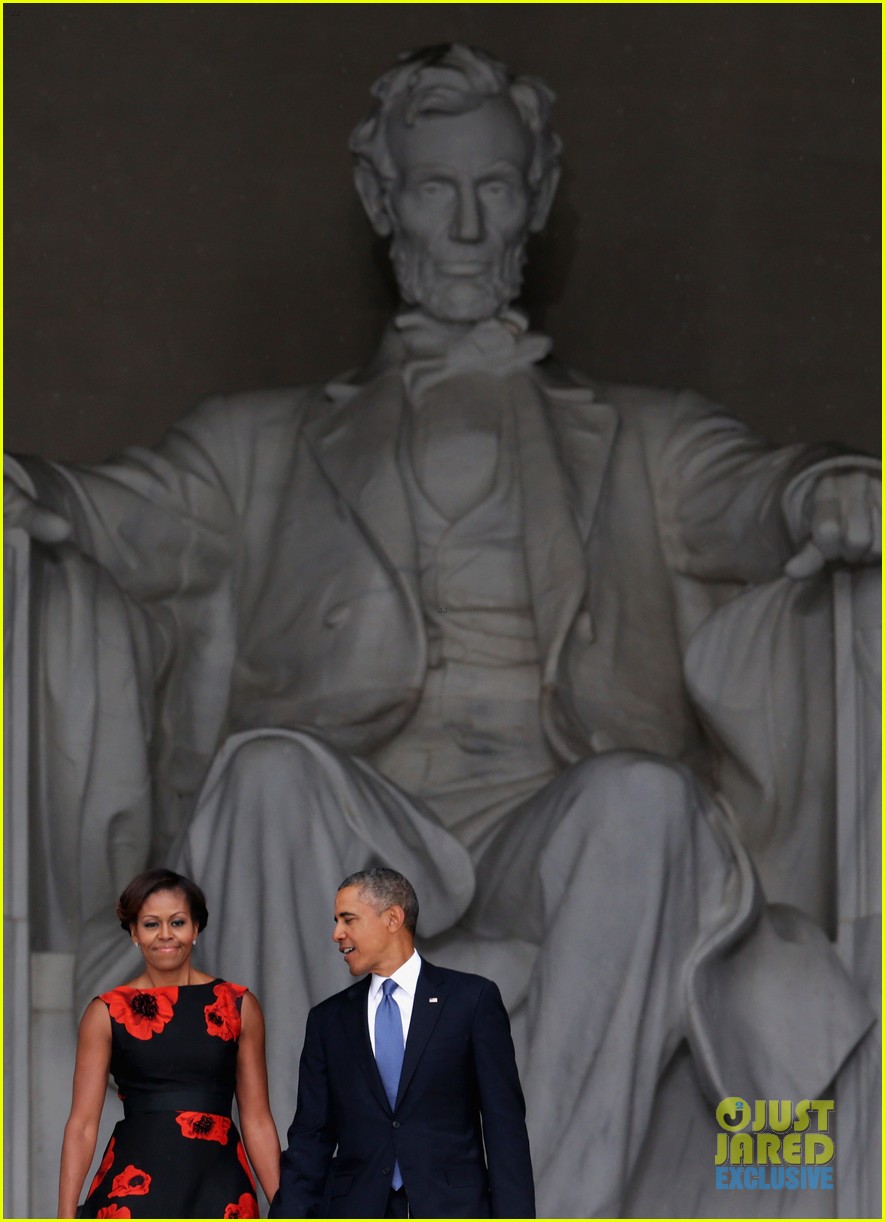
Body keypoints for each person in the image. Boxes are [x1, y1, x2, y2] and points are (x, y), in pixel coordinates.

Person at [7, 43, 879, 1216]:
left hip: (547, 818)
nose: (467, 225)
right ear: (383, 200)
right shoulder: (258, 443)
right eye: (434, 188)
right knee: (263, 770)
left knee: (647, 797)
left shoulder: (648, 437)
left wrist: (826, 489)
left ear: (538, 195)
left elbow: (763, 494)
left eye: (496, 188)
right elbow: (115, 516)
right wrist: (33, 497)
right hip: (354, 808)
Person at [270, 868, 534, 1219]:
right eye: (336, 921)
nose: (336, 933)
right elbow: (310, 1140)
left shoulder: (471, 1001)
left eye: (348, 919)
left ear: (393, 918)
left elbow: (505, 1128)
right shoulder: (328, 1020)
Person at [57, 869, 280, 1219]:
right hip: (134, 1186)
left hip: (219, 1186)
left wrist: (286, 1205)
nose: (165, 935)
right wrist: (64, 1215)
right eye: (150, 924)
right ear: (133, 932)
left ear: (195, 929)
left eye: (177, 922)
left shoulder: (238, 1005)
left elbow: (257, 1120)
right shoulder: (105, 1012)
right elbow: (82, 1125)